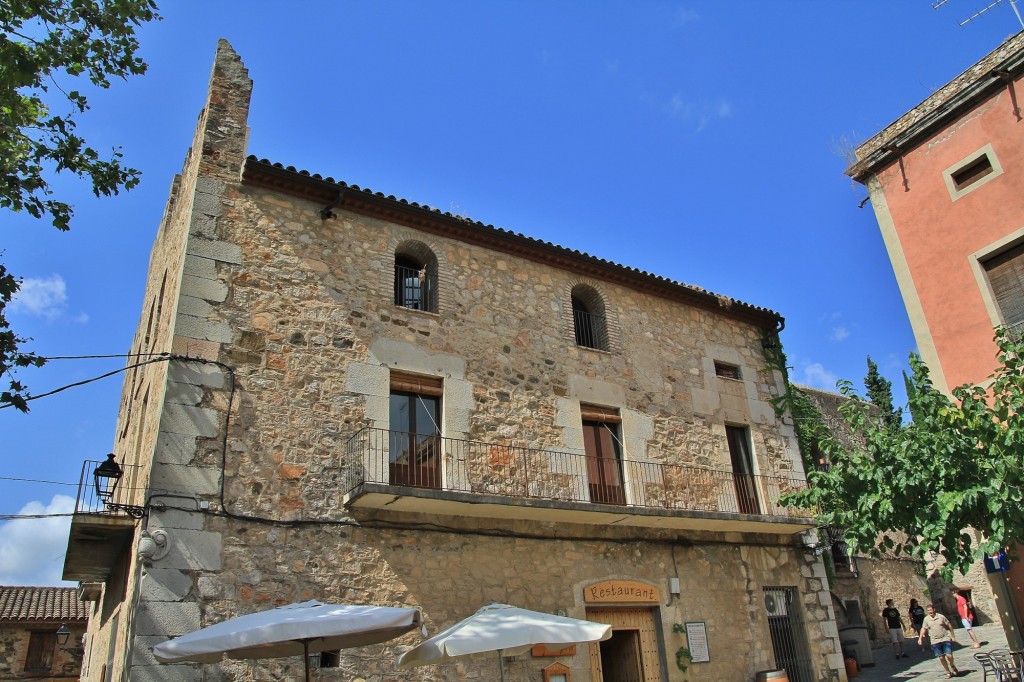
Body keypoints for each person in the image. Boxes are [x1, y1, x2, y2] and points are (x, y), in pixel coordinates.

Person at [919, 603, 958, 678]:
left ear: (934, 609)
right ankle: (948, 671)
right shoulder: (926, 619)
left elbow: (949, 625)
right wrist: (920, 638)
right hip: (935, 641)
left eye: (931, 610)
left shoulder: (941, 617)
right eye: (928, 611)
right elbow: (923, 628)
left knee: (949, 655)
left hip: (945, 638)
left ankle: (952, 665)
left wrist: (953, 636)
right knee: (941, 657)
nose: (930, 612)